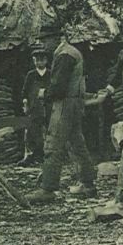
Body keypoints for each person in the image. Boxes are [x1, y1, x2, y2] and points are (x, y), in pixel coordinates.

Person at [27, 24, 98, 203]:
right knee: (76, 143)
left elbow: (58, 86)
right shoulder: (71, 52)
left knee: (52, 144)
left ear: (56, 38)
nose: (43, 45)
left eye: (45, 40)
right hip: (74, 102)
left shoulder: (64, 55)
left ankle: (48, 188)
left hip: (64, 103)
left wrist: (45, 93)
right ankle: (88, 183)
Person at [19, 44, 51, 166]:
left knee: (48, 131)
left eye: (42, 59)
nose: (39, 62)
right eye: (37, 60)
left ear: (46, 61)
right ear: (34, 61)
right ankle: (31, 156)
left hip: (48, 108)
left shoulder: (50, 73)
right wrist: (26, 104)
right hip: (34, 108)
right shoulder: (31, 75)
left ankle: (47, 155)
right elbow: (24, 92)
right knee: (31, 132)